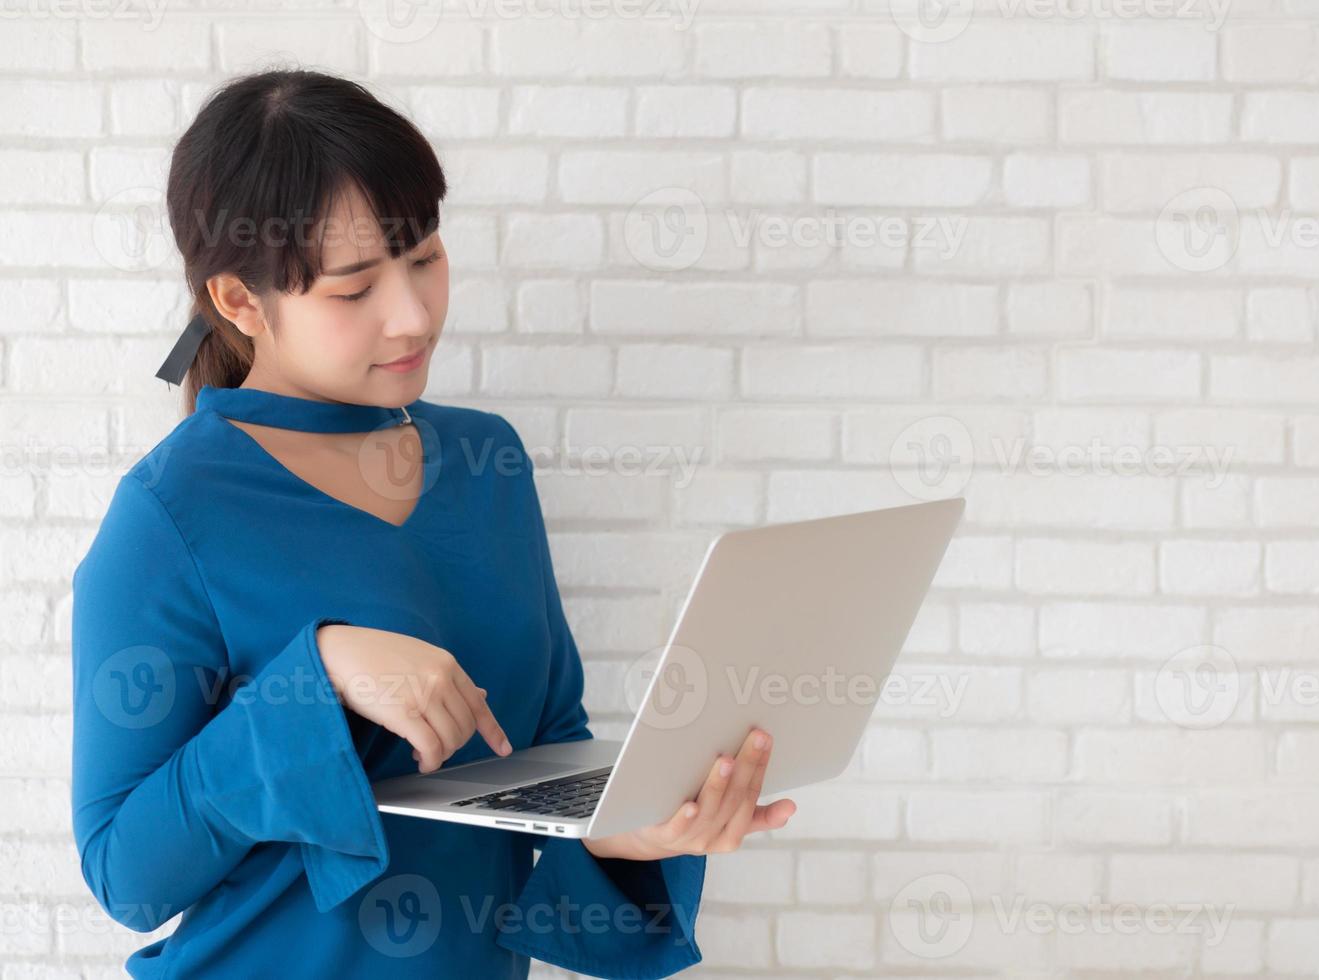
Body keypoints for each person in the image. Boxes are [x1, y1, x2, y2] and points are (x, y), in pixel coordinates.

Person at [69, 67, 796, 978]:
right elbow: (124, 877)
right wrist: (319, 671)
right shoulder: (168, 518)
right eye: (353, 288)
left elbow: (539, 759)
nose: (413, 315)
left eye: (423, 258)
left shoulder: (487, 465)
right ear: (241, 302)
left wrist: (627, 831)